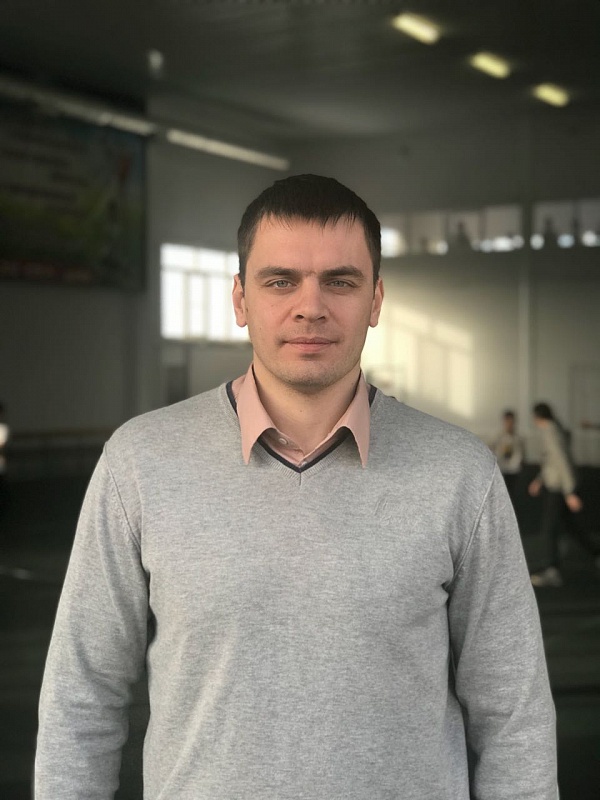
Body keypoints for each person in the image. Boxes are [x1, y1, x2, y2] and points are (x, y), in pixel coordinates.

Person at [35, 175, 557, 799]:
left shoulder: (460, 473)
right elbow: (81, 697)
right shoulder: (140, 463)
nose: (311, 306)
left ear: (376, 300)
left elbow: (514, 713)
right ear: (240, 299)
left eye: (340, 281)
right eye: (280, 281)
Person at [529, 401, 599, 587]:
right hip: (557, 485)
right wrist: (539, 480)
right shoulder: (553, 429)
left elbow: (561, 460)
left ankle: (552, 571)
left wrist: (569, 492)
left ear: (537, 417)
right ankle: (596, 553)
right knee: (570, 526)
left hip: (558, 488)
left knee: (549, 528)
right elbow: (551, 461)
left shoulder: (550, 431)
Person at [491, 409, 524, 503]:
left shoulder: (518, 438)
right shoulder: (497, 437)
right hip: (501, 471)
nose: (509, 424)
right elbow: (491, 450)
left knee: (513, 498)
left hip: (514, 472)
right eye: (507, 421)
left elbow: (521, 455)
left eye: (511, 422)